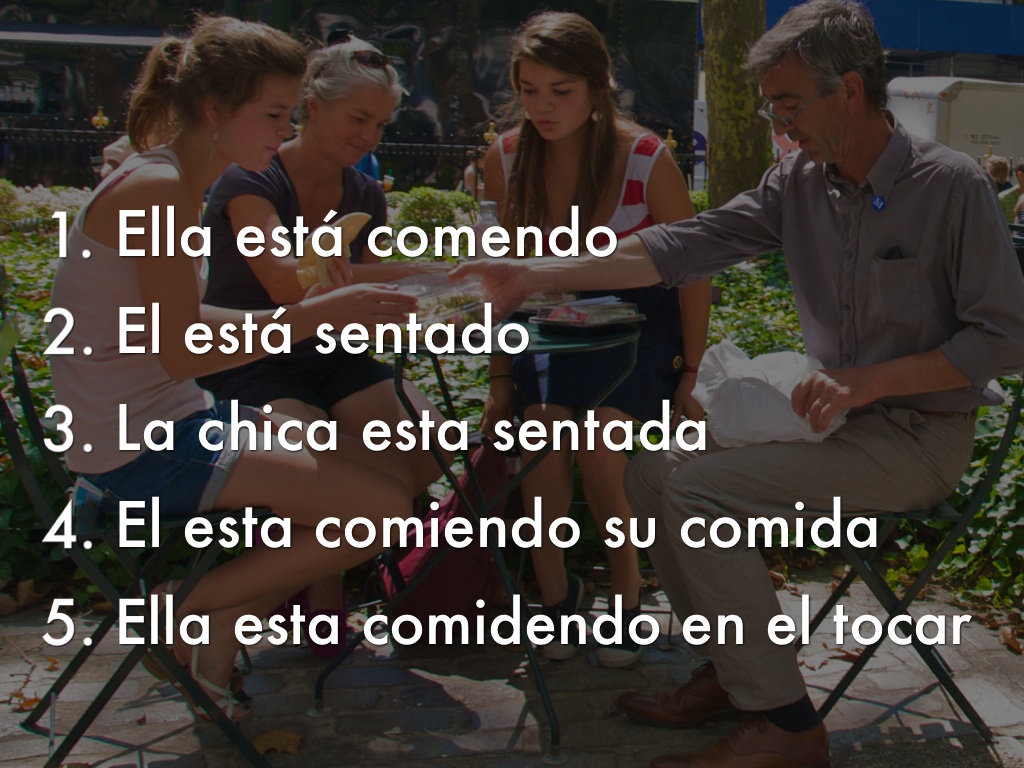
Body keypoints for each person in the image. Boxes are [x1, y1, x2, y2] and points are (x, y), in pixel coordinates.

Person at [452, 1, 1024, 765]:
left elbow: (1005, 338)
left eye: (789, 104)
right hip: (829, 424)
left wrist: (867, 382)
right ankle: (732, 671)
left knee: (698, 493)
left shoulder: (950, 185)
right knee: (652, 474)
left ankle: (787, 726)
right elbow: (679, 246)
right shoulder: (798, 181)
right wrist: (534, 275)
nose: (778, 124)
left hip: (918, 437)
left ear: (850, 90)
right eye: (770, 107)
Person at [49, 16, 419, 721]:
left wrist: (324, 311)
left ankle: (214, 637)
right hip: (139, 449)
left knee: (388, 480)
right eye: (275, 114)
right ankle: (178, 610)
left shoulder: (167, 179)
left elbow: (184, 325)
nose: (286, 130)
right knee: (377, 513)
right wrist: (315, 316)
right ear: (216, 108)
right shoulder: (157, 189)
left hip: (167, 422)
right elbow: (184, 350)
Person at [197, 38, 450, 654]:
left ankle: (289, 587)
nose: (369, 136)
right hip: (251, 356)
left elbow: (368, 302)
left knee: (431, 446)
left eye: (381, 125)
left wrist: (436, 301)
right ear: (312, 107)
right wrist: (436, 273)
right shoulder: (251, 178)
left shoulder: (365, 194)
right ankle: (303, 597)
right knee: (334, 467)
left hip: (332, 356)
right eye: (358, 119)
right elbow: (287, 282)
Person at [479, 11, 710, 668]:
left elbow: (694, 274)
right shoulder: (505, 158)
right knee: (540, 437)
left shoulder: (646, 158)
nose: (543, 107)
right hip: (550, 328)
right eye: (529, 91)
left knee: (602, 444)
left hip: (638, 328)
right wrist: (500, 380)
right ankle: (556, 599)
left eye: (561, 90)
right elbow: (503, 282)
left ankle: (627, 601)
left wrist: (690, 375)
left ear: (597, 85)